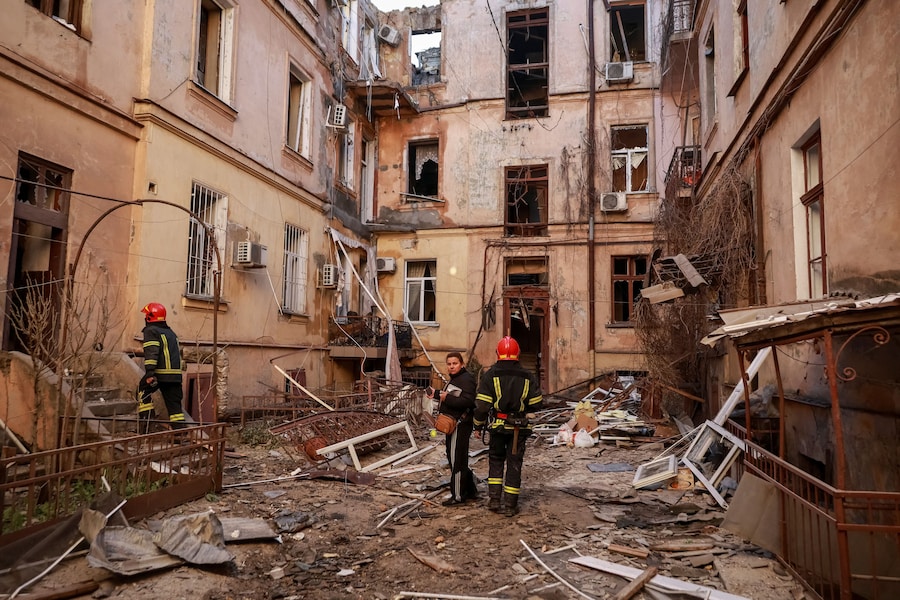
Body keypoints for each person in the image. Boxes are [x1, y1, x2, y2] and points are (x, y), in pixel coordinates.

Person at [473, 336, 543, 517]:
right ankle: (511, 505)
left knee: (496, 460)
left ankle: (494, 500)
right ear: (518, 353)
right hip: (519, 429)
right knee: (514, 464)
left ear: (498, 353)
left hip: (498, 427)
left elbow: (482, 406)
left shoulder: (490, 375)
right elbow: (536, 404)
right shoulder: (528, 376)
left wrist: (478, 426)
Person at [429, 352, 478, 506]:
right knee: (457, 458)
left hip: (460, 425)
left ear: (462, 364)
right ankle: (470, 491)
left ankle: (458, 496)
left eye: (455, 363)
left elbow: (468, 401)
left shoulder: (466, 379)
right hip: (453, 424)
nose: (451, 366)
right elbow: (452, 395)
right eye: (449, 364)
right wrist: (436, 394)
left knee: (456, 460)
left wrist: (446, 398)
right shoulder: (456, 379)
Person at [138, 302, 187, 431]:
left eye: (146, 315)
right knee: (174, 406)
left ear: (150, 317)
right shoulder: (171, 333)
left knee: (143, 390)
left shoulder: (151, 331)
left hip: (160, 374)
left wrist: (150, 372)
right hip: (175, 376)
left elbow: (152, 352)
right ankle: (179, 433)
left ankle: (147, 425)